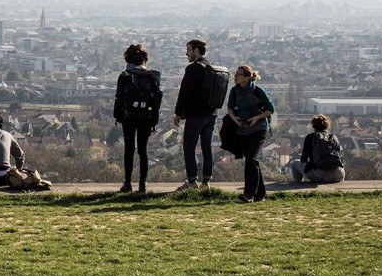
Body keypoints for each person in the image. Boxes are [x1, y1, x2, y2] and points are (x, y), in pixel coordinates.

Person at [112, 43, 162, 194]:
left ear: (128, 59)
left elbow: (119, 97)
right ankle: (143, 184)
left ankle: (127, 183)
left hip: (129, 116)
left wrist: (118, 116)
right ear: (144, 60)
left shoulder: (125, 75)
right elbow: (156, 100)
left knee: (129, 149)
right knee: (143, 150)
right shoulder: (151, 76)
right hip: (146, 116)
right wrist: (154, 119)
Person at [173, 38, 220, 190]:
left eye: (188, 50)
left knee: (189, 146)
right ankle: (206, 182)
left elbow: (184, 92)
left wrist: (178, 113)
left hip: (196, 114)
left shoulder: (193, 69)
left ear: (196, 50)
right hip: (211, 114)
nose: (187, 53)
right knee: (207, 147)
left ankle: (192, 181)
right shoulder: (211, 67)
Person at [228, 64, 275, 202]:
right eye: (235, 74)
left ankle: (248, 194)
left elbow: (270, 109)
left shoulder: (258, 91)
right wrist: (234, 119)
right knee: (252, 160)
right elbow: (230, 108)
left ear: (248, 77)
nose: (235, 77)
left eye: (239, 75)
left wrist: (256, 118)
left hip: (259, 128)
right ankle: (260, 193)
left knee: (250, 158)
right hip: (243, 129)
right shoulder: (234, 91)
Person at [289, 115, 346, 184]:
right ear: (327, 125)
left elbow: (303, 160)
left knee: (294, 163)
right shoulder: (334, 137)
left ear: (313, 126)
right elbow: (341, 156)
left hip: (319, 176)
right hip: (338, 175)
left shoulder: (310, 137)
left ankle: (298, 184)